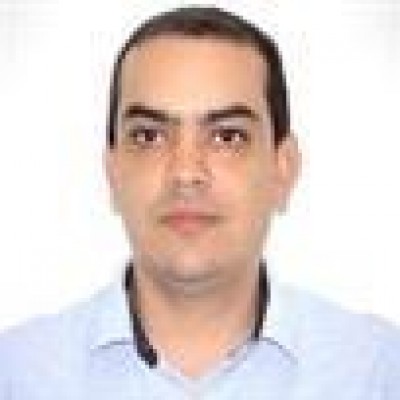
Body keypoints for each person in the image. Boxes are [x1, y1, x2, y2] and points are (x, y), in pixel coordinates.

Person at [0, 5, 399, 399]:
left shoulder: (377, 371)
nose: (186, 173)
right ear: (113, 172)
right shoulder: (17, 373)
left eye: (227, 137)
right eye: (149, 136)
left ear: (283, 169)